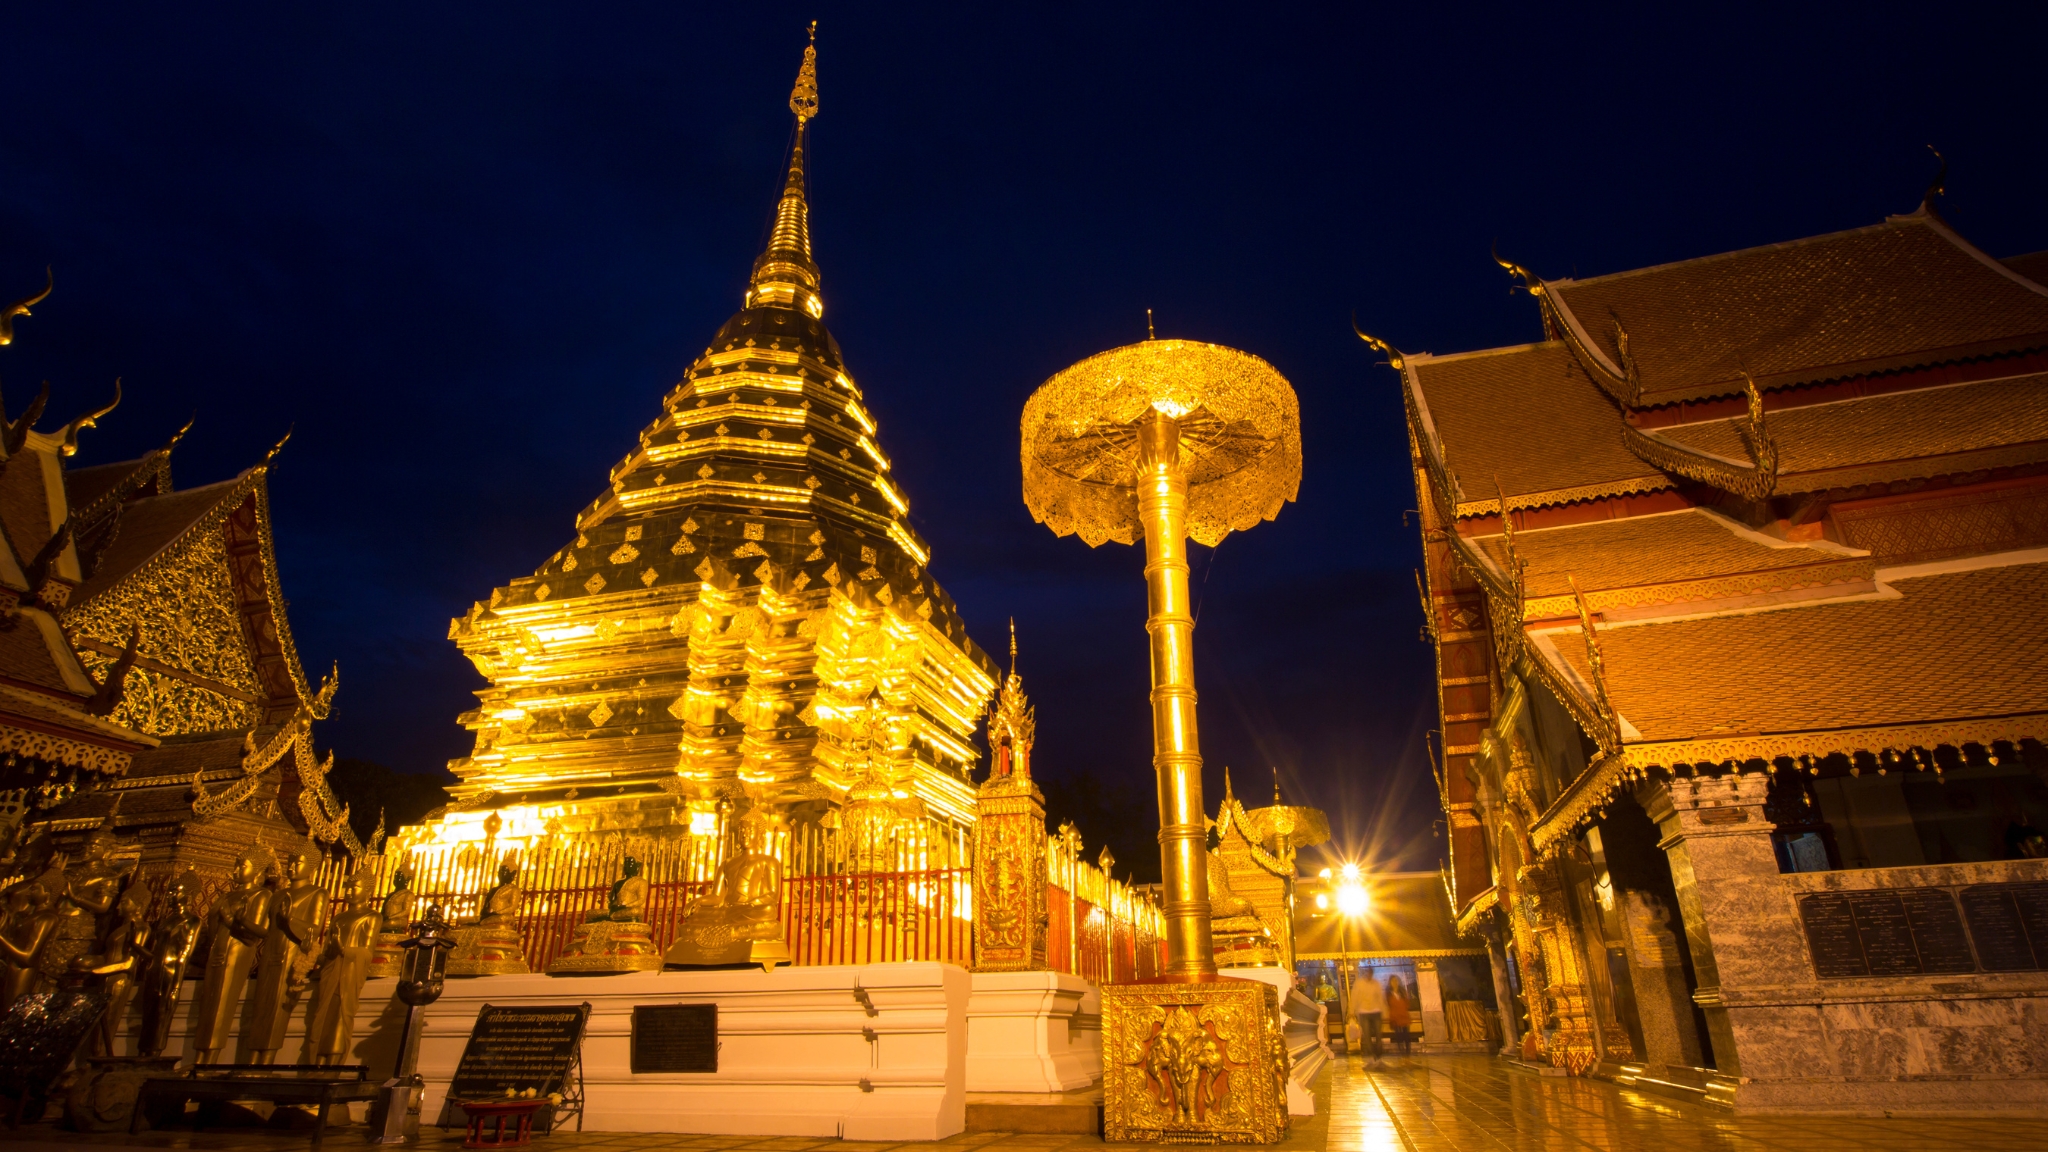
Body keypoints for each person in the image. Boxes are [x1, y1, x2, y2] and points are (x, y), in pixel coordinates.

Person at [1353, 964, 1387, 1064]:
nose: (1369, 974)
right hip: (1364, 1012)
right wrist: (1352, 1011)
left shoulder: (1376, 983)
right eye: (1367, 972)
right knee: (1367, 1036)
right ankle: (1371, 1056)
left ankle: (1379, 1056)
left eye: (1370, 973)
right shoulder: (1359, 984)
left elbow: (1380, 997)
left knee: (1378, 1036)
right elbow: (1355, 997)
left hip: (1376, 1011)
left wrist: (1384, 1012)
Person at [1386, 976, 1413, 1056]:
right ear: (1390, 983)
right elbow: (1388, 1004)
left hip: (1403, 1015)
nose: (1394, 983)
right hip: (1395, 1016)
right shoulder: (1388, 994)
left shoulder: (1403, 992)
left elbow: (1407, 1003)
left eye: (1396, 981)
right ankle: (1401, 1051)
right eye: (1393, 981)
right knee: (1398, 1035)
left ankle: (1408, 1051)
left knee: (1406, 1035)